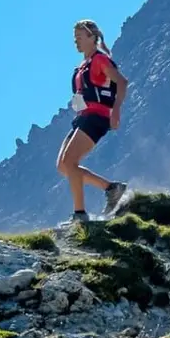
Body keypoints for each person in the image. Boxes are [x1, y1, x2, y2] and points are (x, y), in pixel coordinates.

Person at [55, 19, 129, 224]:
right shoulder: (81, 67)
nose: (76, 42)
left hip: (97, 117)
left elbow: (122, 82)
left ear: (92, 38)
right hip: (83, 118)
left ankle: (80, 214)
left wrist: (116, 111)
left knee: (70, 162)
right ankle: (111, 188)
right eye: (74, 38)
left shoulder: (100, 60)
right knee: (63, 166)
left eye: (79, 37)